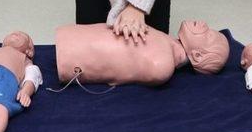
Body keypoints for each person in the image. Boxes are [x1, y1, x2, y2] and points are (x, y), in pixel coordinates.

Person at [55, 20, 229, 86]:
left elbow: (123, 74)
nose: (205, 25)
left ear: (197, 56)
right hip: (82, 40)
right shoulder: (167, 43)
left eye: (208, 35)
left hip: (76, 56)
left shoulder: (163, 65)